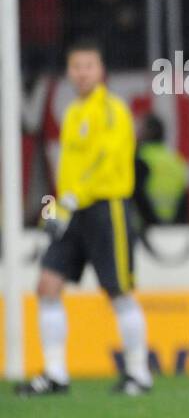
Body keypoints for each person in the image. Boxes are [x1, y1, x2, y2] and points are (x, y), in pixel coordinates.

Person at [16, 41, 153, 397]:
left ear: (101, 70)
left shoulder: (111, 110)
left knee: (118, 291)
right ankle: (55, 374)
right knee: (47, 285)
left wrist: (73, 198)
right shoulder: (73, 112)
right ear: (69, 72)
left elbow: (106, 161)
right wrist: (62, 204)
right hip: (72, 211)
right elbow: (70, 170)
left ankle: (139, 374)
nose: (81, 73)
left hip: (106, 208)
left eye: (88, 66)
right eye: (76, 67)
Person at [133, 112, 189, 228]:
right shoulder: (176, 160)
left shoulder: (141, 159)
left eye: (139, 130)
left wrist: (153, 222)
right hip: (173, 228)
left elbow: (138, 196)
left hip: (144, 228)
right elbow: (185, 202)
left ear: (148, 132)